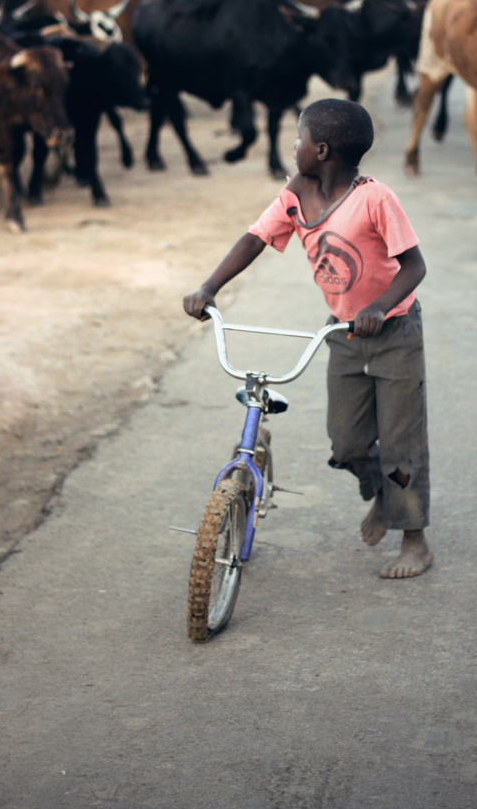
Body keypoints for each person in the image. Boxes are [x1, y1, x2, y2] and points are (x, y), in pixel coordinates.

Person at [183, 98, 432, 579]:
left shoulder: (375, 198)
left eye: (297, 138)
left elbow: (415, 265)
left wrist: (379, 307)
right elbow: (255, 238)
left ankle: (415, 541)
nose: (292, 145)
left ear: (321, 149)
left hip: (394, 331)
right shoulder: (296, 193)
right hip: (342, 333)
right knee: (346, 441)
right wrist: (209, 287)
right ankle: (385, 491)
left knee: (403, 443)